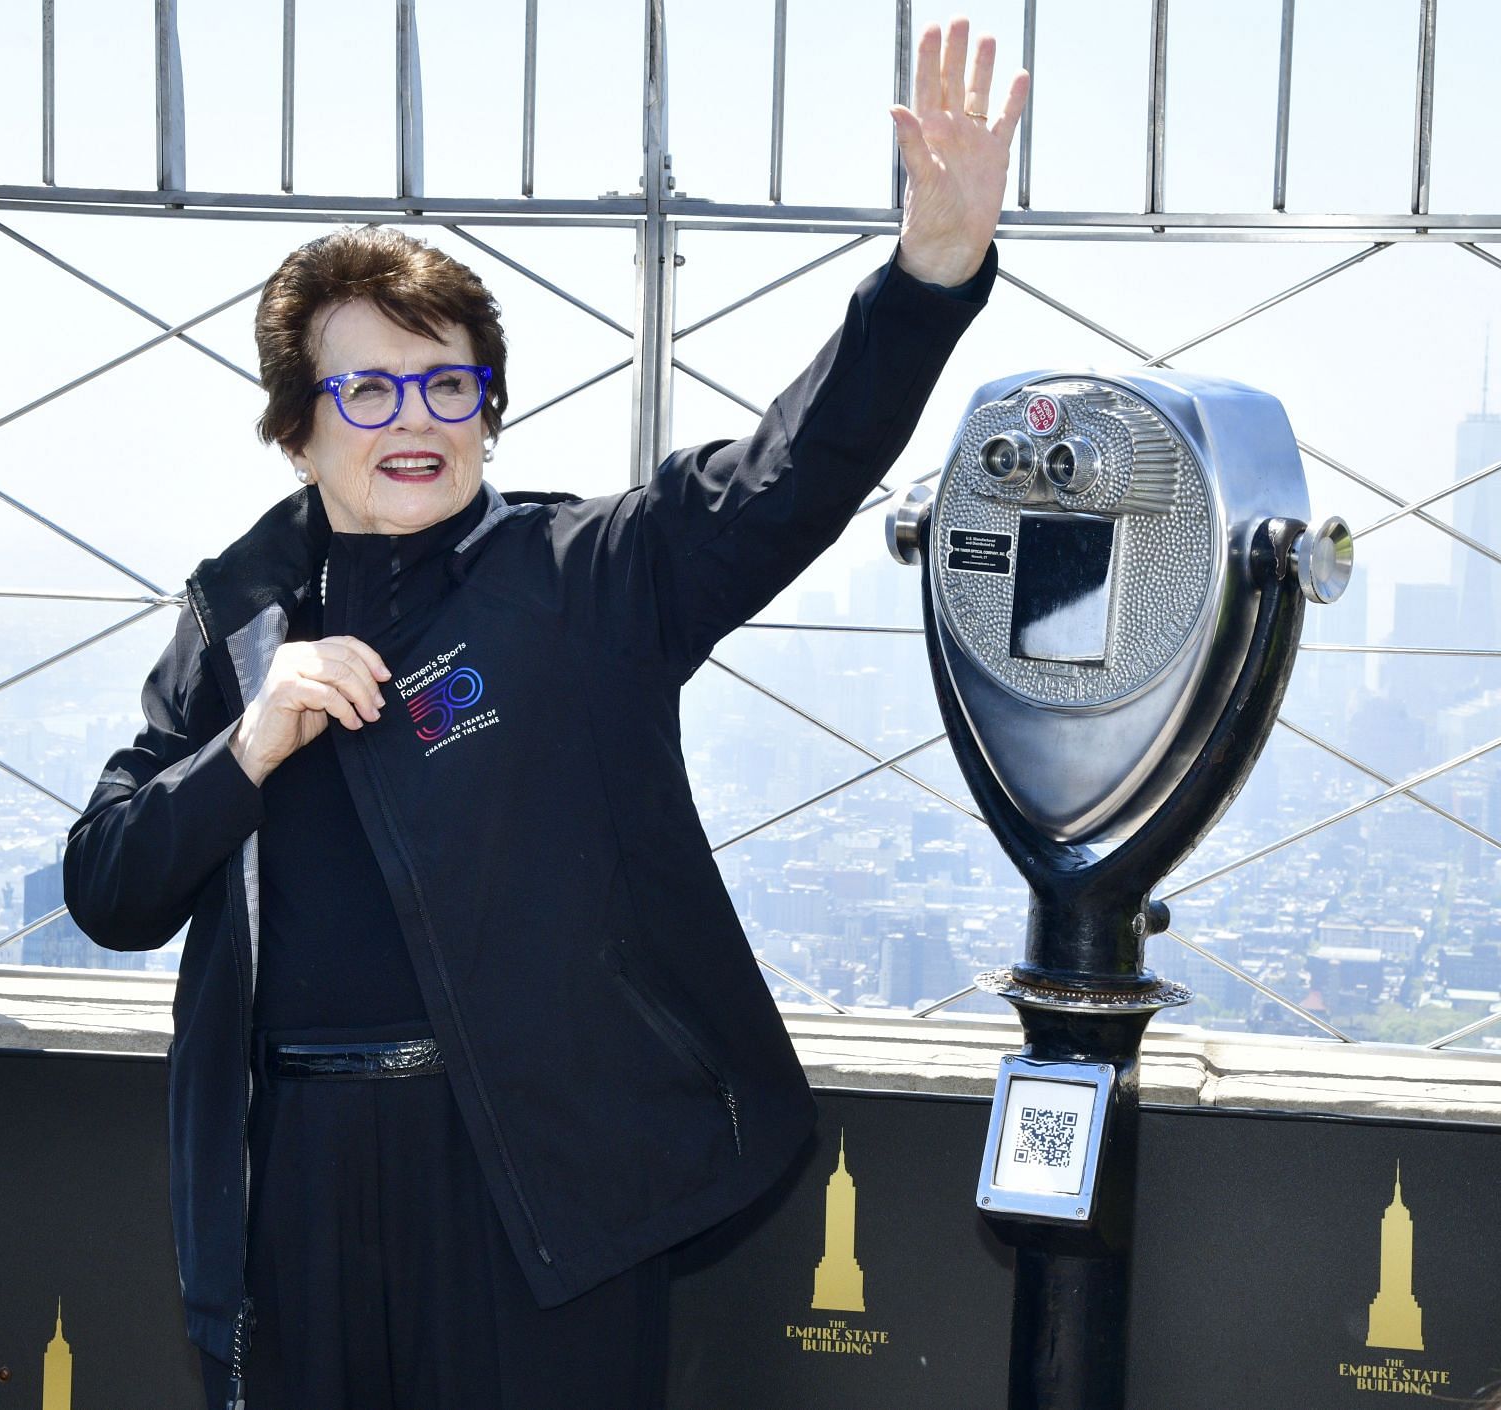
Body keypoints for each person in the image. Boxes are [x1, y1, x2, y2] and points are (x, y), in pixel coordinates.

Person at [64, 18, 1027, 1410]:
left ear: (490, 408)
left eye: (451, 381)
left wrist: (929, 277)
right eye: (372, 386)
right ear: (297, 424)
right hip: (300, 1186)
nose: (419, 416)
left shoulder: (585, 576)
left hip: (534, 1179)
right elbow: (109, 883)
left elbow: (785, 477)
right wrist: (250, 740)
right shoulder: (236, 620)